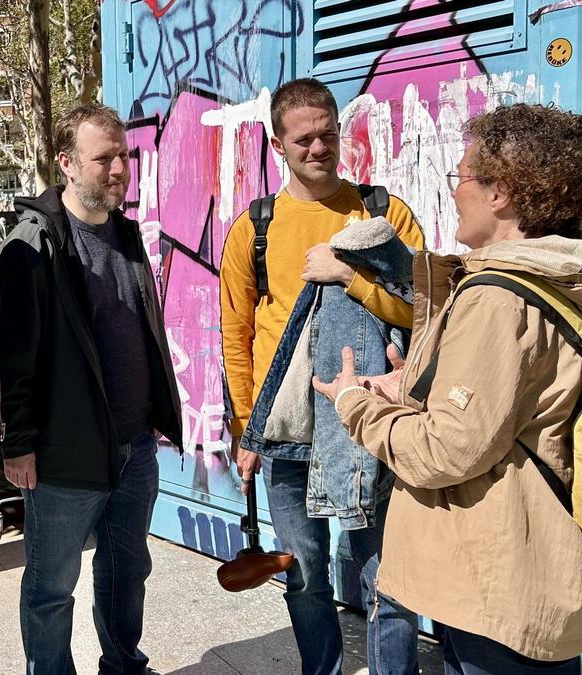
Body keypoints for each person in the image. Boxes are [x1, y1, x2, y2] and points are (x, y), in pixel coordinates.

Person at [314, 104, 582, 673]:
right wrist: (413, 386)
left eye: (460, 177)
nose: (454, 191)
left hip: (498, 583)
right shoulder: (569, 274)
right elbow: (512, 411)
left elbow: (446, 449)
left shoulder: (499, 297)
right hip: (537, 567)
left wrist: (355, 404)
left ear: (500, 193)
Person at [218, 78, 423, 674]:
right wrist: (243, 428)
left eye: (327, 134)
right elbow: (236, 334)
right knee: (303, 576)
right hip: (286, 429)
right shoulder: (254, 228)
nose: (318, 148)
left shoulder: (384, 214)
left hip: (370, 422)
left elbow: (426, 310)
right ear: (278, 145)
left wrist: (347, 274)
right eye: (303, 139)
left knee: (386, 574)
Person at [0, 104, 183, 675]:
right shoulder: (34, 243)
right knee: (52, 587)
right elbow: (15, 354)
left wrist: (155, 410)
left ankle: (124, 665)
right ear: (67, 163)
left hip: (135, 448)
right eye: (104, 158)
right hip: (63, 454)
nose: (118, 169)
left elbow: (139, 327)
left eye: (123, 156)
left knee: (128, 573)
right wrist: (18, 443)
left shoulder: (127, 235)